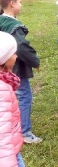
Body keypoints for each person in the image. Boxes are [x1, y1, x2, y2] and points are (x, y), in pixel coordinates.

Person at [0, 0, 42, 144]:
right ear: (12, 4)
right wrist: (35, 61)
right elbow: (22, 47)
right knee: (24, 96)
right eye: (20, 2)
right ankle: (24, 132)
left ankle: (9, 125)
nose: (21, 5)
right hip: (16, 69)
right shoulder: (13, 26)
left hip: (3, 68)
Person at [0, 31, 25, 167]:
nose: (16, 56)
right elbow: (2, 135)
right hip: (8, 156)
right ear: (3, 58)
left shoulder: (4, 82)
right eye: (13, 53)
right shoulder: (2, 90)